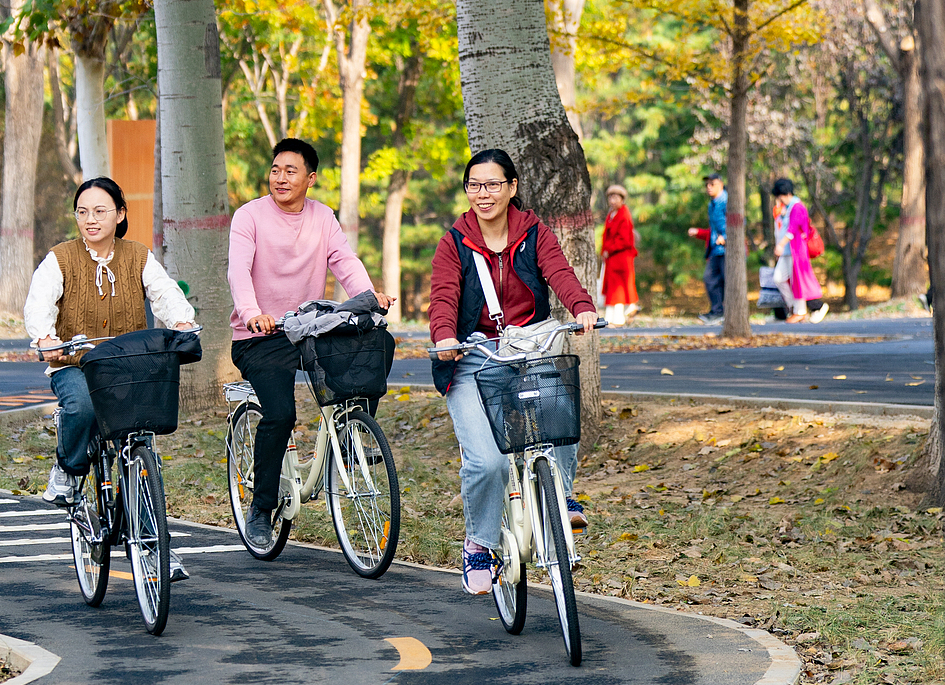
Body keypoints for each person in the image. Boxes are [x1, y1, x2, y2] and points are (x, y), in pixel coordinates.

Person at [430, 148, 597, 596]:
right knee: (487, 462)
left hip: (529, 347)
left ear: (512, 188)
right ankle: (479, 546)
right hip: (472, 358)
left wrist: (580, 307)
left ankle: (559, 498)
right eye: (474, 185)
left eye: (492, 185)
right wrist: (445, 337)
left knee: (561, 415)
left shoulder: (533, 232)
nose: (483, 194)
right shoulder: (455, 241)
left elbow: (559, 273)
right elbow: (444, 296)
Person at [228, 137, 390, 554]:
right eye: (275, 170)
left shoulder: (323, 217)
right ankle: (261, 510)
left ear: (310, 178)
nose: (280, 178)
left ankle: (353, 438)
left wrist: (369, 295)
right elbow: (238, 272)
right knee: (281, 414)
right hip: (260, 335)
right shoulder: (249, 216)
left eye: (291, 171)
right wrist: (251, 313)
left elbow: (344, 262)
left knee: (373, 344)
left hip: (309, 329)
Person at [25, 175, 197, 510]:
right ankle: (68, 469)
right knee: (83, 406)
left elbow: (165, 293)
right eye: (82, 212)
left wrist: (182, 322)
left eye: (100, 211)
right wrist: (46, 336)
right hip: (76, 364)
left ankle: (153, 545)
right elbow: (39, 302)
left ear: (119, 214)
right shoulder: (60, 258)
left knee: (142, 439)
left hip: (130, 367)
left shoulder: (138, 256)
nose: (90, 219)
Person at [772, 177, 828, 324]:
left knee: (800, 282)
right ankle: (797, 309)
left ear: (785, 193)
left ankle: (807, 309)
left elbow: (791, 230)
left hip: (796, 250)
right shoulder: (788, 208)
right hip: (788, 251)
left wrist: (780, 245)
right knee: (780, 279)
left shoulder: (797, 207)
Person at [687, 173, 728, 321]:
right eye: (707, 185)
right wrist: (699, 233)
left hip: (728, 250)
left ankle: (726, 312)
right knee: (710, 278)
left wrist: (726, 237)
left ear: (721, 185)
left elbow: (739, 222)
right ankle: (717, 312)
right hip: (715, 250)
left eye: (712, 184)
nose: (709, 187)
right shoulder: (712, 203)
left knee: (728, 281)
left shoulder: (728, 200)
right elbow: (713, 230)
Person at [599, 184, 638, 326]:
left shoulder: (624, 213)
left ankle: (619, 317)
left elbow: (625, 239)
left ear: (622, 199)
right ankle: (612, 317)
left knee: (619, 288)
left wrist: (609, 248)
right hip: (612, 257)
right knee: (612, 287)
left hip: (621, 256)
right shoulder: (611, 214)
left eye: (616, 197)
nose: (612, 201)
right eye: (610, 197)